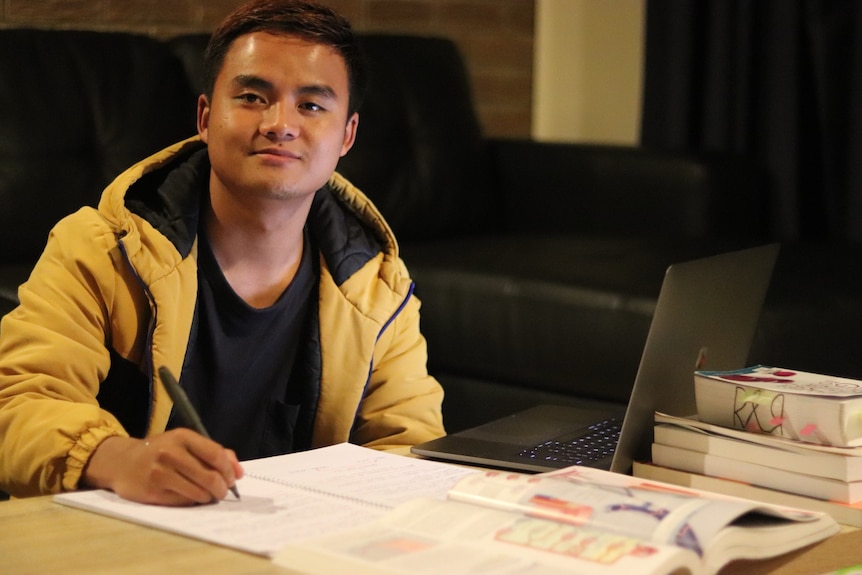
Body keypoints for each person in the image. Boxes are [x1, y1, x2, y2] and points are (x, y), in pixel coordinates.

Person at [0, 0, 445, 505]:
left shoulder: (377, 286)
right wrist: (117, 458)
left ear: (347, 136)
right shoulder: (100, 248)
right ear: (206, 118)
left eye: (312, 105)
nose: (280, 124)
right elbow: (18, 403)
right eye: (254, 97)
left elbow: (410, 447)